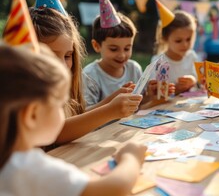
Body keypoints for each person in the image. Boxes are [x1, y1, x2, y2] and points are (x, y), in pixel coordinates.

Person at [0, 44, 146, 196]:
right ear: (32, 115)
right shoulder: (31, 168)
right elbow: (114, 189)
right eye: (59, 105)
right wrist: (131, 157)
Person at [30, 0, 143, 145]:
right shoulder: (27, 97)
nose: (62, 65)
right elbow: (56, 132)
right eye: (50, 56)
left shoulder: (66, 89)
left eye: (68, 56)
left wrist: (109, 102)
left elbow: (78, 118)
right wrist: (109, 110)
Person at [153, 0, 199, 94]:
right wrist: (175, 89)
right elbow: (156, 93)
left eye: (188, 39)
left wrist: (193, 81)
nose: (185, 45)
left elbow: (199, 82)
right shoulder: (159, 62)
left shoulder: (192, 56)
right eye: (178, 41)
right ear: (165, 38)